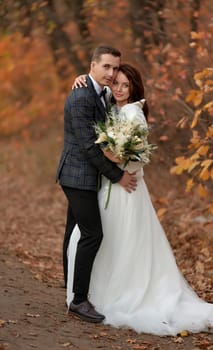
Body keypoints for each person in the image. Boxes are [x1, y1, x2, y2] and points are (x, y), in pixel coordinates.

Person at [67, 64, 213, 335]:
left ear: (134, 89)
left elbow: (139, 157)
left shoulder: (134, 114)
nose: (119, 89)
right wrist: (82, 77)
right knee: (101, 238)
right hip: (108, 185)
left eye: (125, 86)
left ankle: (125, 293)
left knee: (125, 242)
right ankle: (88, 293)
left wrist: (110, 157)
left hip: (126, 188)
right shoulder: (111, 104)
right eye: (116, 84)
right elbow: (95, 86)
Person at [56, 47, 138, 324]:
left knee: (74, 231)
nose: (111, 73)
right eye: (106, 67)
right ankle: (79, 299)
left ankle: (70, 287)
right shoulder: (81, 96)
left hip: (84, 174)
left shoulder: (98, 91)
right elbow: (89, 148)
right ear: (93, 65)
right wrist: (117, 176)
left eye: (115, 68)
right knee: (93, 234)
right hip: (77, 175)